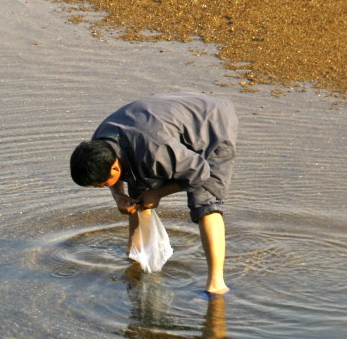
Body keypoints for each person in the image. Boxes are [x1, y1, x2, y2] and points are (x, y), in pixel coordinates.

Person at [69, 91, 237, 295]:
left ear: (114, 168)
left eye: (103, 184)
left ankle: (216, 284)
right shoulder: (100, 142)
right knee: (137, 191)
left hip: (211, 122)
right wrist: (118, 196)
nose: (102, 187)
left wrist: (158, 194)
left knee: (205, 202)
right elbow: (117, 175)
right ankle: (135, 253)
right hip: (164, 119)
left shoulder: (156, 151)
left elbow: (201, 173)